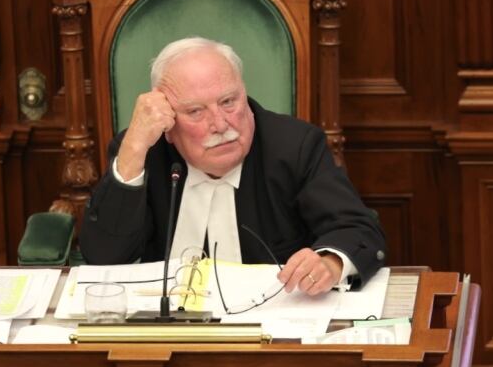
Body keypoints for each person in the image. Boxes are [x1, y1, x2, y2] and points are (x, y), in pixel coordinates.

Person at [80, 37, 385, 295]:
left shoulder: (294, 146)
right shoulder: (144, 150)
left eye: (228, 102)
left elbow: (358, 230)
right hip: (165, 333)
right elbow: (104, 258)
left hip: (271, 332)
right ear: (168, 125)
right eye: (196, 111)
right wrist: (133, 150)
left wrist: (329, 261)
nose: (220, 124)